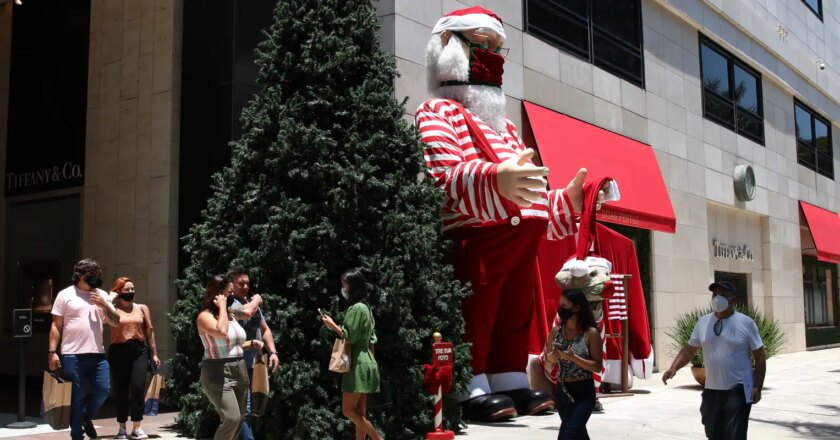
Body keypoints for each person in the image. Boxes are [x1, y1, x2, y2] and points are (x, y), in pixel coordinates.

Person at [416, 5, 605, 421]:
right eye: (482, 44)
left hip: (520, 245)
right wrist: (494, 179)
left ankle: (508, 378)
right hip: (477, 241)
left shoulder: (507, 129)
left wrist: (566, 202)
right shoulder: (437, 113)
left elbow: (529, 194)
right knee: (476, 311)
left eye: (498, 48)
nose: (493, 57)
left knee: (513, 314)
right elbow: (442, 178)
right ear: (447, 45)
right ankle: (470, 383)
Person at [663, 281, 766, 440]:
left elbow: (759, 356)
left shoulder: (746, 323)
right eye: (715, 294)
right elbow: (690, 349)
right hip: (712, 389)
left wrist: (757, 386)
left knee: (735, 434)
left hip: (739, 388)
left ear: (734, 300)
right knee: (713, 433)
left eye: (723, 295)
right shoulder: (703, 322)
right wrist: (673, 368)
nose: (718, 298)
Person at [48, 258, 121, 440]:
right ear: (80, 276)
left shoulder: (101, 295)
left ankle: (86, 417)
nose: (95, 277)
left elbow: (115, 321)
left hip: (97, 354)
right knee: (77, 397)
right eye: (91, 275)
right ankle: (77, 436)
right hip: (72, 354)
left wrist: (104, 305)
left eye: (97, 274)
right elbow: (56, 325)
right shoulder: (65, 295)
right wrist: (52, 352)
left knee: (103, 389)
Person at [197, 275, 264, 440]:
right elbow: (221, 332)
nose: (231, 297)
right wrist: (222, 306)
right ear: (217, 294)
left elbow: (233, 342)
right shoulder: (204, 317)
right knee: (231, 418)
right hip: (218, 371)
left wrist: (251, 343)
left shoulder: (231, 314)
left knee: (241, 417)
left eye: (231, 293)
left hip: (239, 367)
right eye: (228, 293)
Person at [321, 269, 382, 440]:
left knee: (348, 410)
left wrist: (332, 325)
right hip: (368, 361)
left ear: (353, 286)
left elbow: (349, 337)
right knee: (360, 413)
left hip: (357, 363)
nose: (343, 288)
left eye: (345, 285)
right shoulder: (366, 308)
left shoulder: (356, 308)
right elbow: (372, 340)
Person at [226, 267, 280, 440]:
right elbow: (247, 312)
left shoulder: (250, 303)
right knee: (244, 411)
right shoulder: (229, 305)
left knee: (251, 410)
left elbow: (265, 330)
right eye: (240, 283)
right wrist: (256, 299)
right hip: (236, 365)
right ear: (230, 284)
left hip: (254, 366)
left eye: (247, 283)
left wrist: (273, 352)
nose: (245, 287)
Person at [542, 290, 603, 439]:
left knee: (567, 436)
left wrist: (574, 358)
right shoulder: (555, 332)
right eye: (560, 304)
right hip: (563, 391)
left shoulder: (590, 333)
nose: (561, 308)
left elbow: (597, 366)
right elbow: (548, 367)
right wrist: (550, 360)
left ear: (577, 307)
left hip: (583, 392)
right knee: (579, 435)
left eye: (565, 304)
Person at [107, 277, 160, 440]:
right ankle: (122, 427)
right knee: (121, 390)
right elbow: (104, 319)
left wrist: (154, 353)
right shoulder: (113, 309)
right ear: (118, 292)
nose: (131, 291)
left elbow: (149, 330)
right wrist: (110, 299)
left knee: (138, 387)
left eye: (132, 289)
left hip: (138, 350)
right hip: (118, 350)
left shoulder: (142, 308)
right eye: (127, 289)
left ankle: (137, 426)